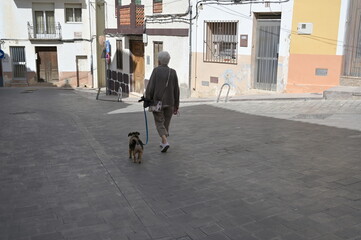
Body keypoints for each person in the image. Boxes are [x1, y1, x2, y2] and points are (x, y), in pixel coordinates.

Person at [145, 51, 180, 153]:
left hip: (157, 102)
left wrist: (147, 99)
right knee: (166, 123)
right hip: (170, 102)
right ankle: (163, 142)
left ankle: (165, 141)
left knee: (159, 122)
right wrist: (176, 105)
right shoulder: (173, 72)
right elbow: (176, 90)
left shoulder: (156, 71)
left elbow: (150, 87)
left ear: (159, 61)